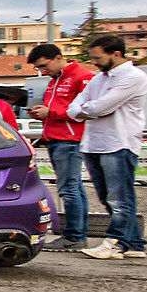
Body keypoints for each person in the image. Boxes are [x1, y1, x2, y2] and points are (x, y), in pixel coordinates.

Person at [73, 34, 147, 260]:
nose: (94, 62)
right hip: (95, 142)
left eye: (98, 58)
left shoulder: (134, 77)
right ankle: (135, 243)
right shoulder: (98, 79)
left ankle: (116, 242)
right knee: (108, 197)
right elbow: (73, 108)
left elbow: (101, 107)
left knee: (119, 198)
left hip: (119, 143)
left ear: (116, 54)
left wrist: (86, 110)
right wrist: (87, 109)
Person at [27, 43, 95, 250]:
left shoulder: (81, 77)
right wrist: (43, 113)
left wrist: (51, 113)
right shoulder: (56, 80)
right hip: (57, 138)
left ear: (57, 57)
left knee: (69, 189)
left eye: (44, 66)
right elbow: (59, 108)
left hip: (69, 139)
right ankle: (77, 235)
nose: (42, 72)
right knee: (74, 188)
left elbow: (86, 111)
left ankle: (74, 236)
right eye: (38, 69)